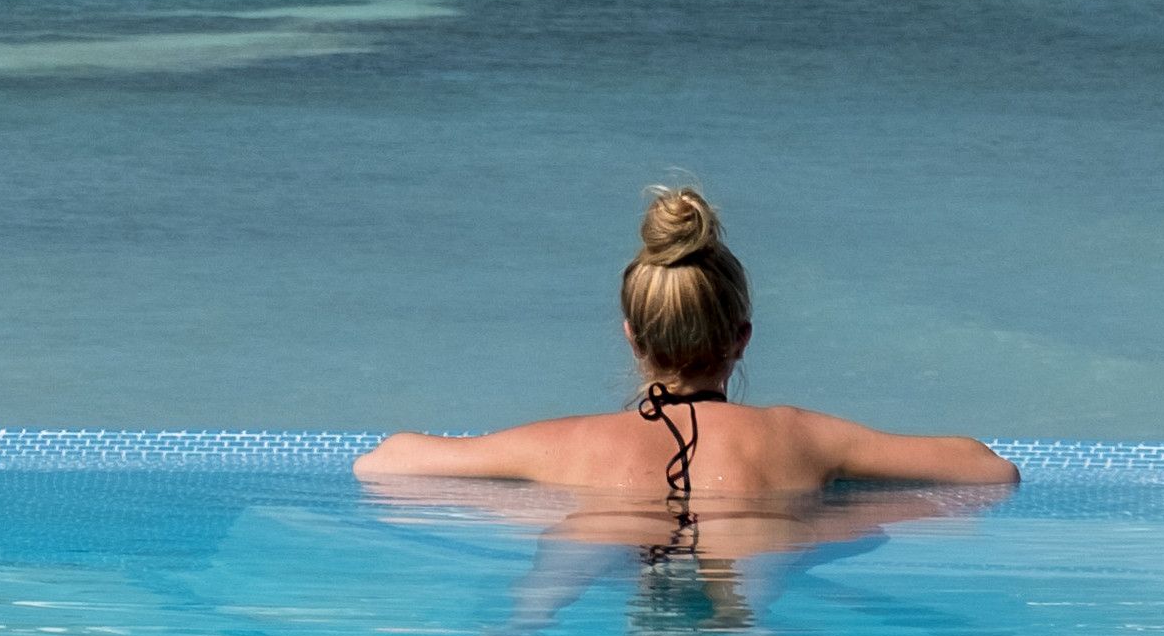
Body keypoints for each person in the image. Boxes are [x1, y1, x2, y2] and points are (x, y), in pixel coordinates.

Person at [356, 185, 1015, 521]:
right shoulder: (803, 437)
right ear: (741, 339)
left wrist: (514, 492)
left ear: (633, 338)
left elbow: (384, 463)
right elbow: (989, 471)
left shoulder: (568, 445)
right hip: (762, 549)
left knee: (563, 543)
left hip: (614, 531)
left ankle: (536, 610)